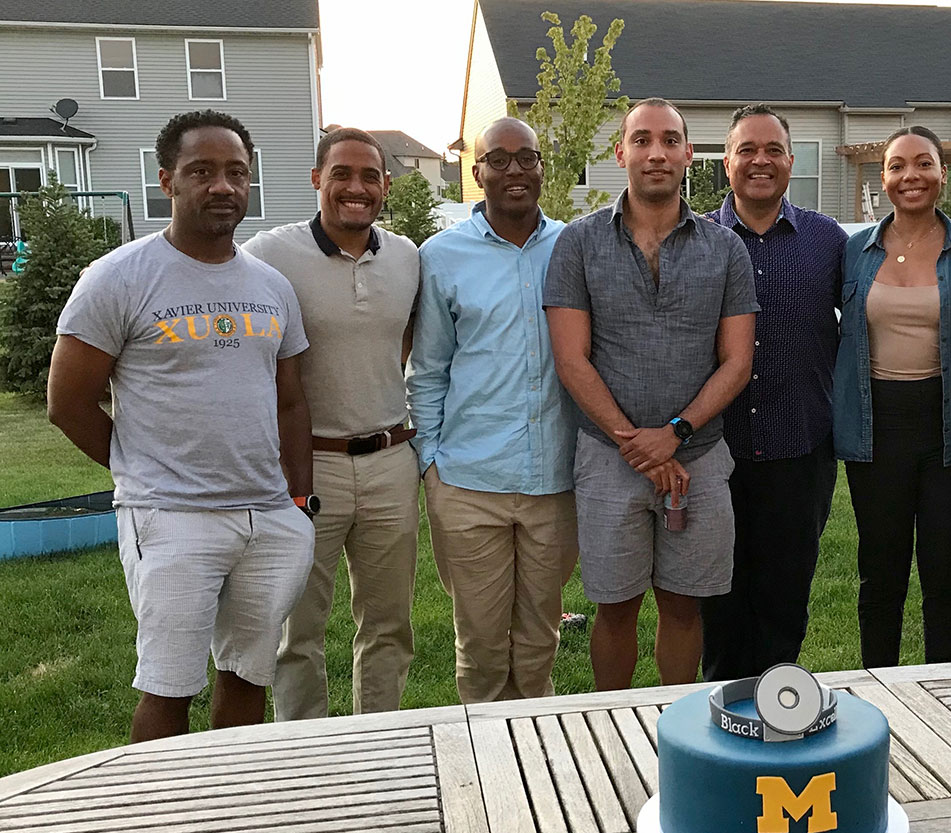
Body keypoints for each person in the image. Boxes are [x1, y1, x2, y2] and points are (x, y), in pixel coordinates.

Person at [46, 110, 315, 741]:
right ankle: (151, 826)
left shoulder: (271, 285)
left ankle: (228, 803)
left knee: (248, 678)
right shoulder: (117, 278)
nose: (221, 186)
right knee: (169, 687)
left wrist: (299, 502)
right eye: (202, 171)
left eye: (235, 172)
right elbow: (68, 402)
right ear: (166, 180)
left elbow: (292, 402)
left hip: (269, 517)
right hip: (170, 518)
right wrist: (137, 468)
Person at [544, 98, 757, 691]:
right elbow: (571, 358)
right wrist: (640, 447)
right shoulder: (579, 245)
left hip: (700, 459)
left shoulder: (725, 249)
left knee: (684, 606)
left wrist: (675, 437)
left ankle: (675, 723)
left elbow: (737, 363)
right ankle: (614, 726)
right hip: (608, 459)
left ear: (690, 153)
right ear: (620, 154)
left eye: (670, 140)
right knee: (614, 607)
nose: (656, 153)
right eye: (641, 140)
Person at [243, 127, 421, 719]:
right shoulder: (269, 254)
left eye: (370, 175)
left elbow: (408, 342)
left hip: (391, 459)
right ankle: (306, 758)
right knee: (299, 631)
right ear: (317, 179)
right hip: (305, 463)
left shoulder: (406, 258)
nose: (356, 187)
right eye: (341, 173)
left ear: (386, 186)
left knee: (389, 626)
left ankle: (381, 745)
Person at [408, 118, 578, 702]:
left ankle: (538, 761)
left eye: (526, 157)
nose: (514, 170)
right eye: (498, 159)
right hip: (467, 480)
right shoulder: (441, 256)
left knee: (538, 642)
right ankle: (487, 771)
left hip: (555, 479)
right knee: (479, 648)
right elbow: (427, 369)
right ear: (475, 171)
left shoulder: (574, 247)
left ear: (541, 168)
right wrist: (430, 462)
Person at [833, 126, 951, 668]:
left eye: (923, 163)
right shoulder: (855, 251)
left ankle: (944, 695)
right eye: (897, 166)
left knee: (946, 577)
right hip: (876, 427)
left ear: (943, 173)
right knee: (880, 574)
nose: (911, 176)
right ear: (883, 179)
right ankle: (882, 693)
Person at [699, 105, 845, 680]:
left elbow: (886, 287)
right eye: (747, 150)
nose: (760, 161)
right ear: (726, 162)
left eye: (773, 150)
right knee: (719, 598)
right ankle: (721, 719)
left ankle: (779, 712)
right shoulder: (698, 240)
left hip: (800, 448)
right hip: (716, 452)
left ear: (789, 160)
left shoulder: (827, 240)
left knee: (785, 601)